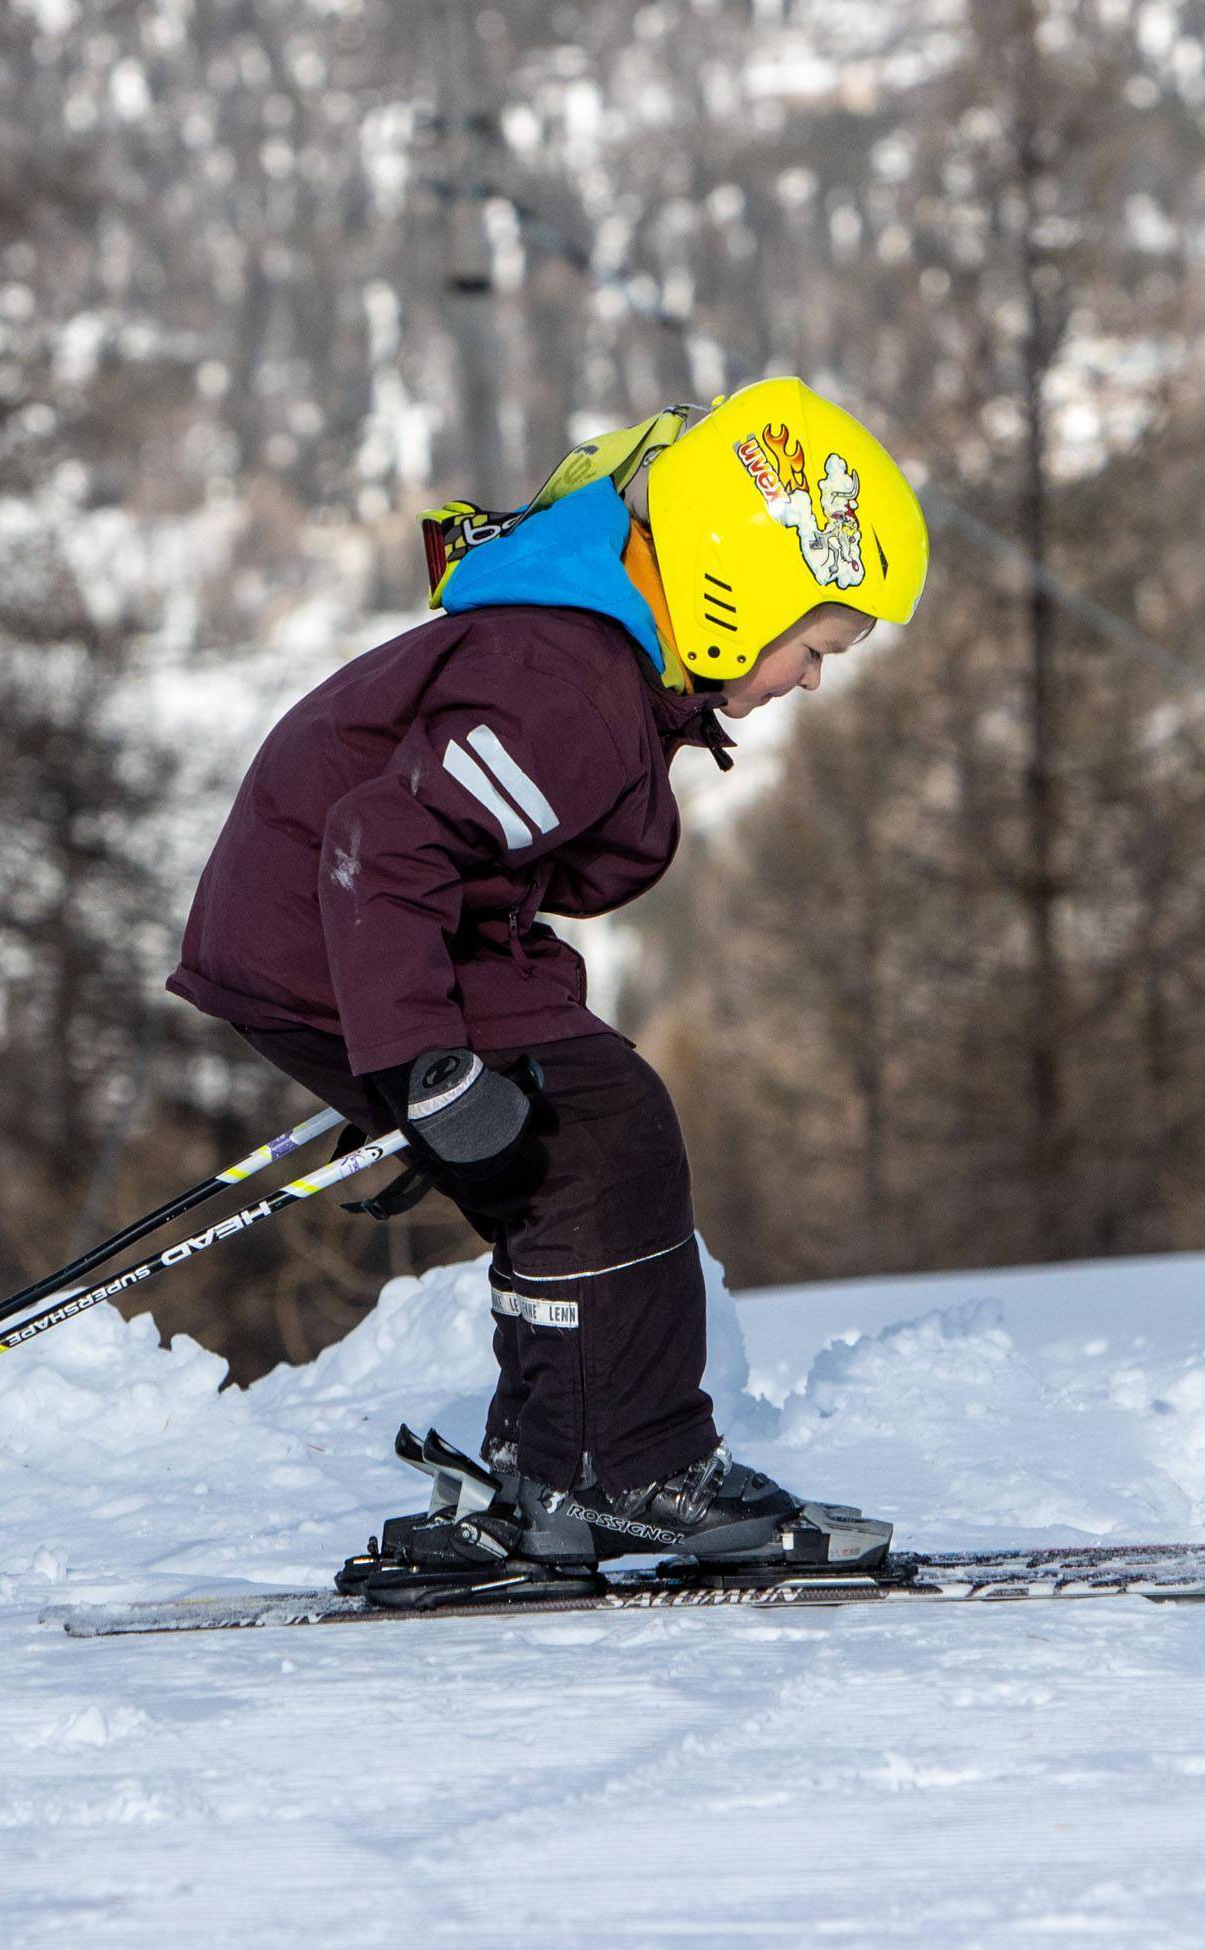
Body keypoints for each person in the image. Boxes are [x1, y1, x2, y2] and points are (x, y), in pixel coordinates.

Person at [167, 378, 928, 1576]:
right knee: (599, 1135)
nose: (814, 680)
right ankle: (608, 1470)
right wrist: (424, 1062)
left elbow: (464, 849)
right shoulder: (570, 687)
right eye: (816, 644)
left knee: (572, 1135)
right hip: (336, 933)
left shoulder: (597, 660)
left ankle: (557, 1470)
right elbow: (388, 845)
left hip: (360, 930)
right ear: (742, 593)